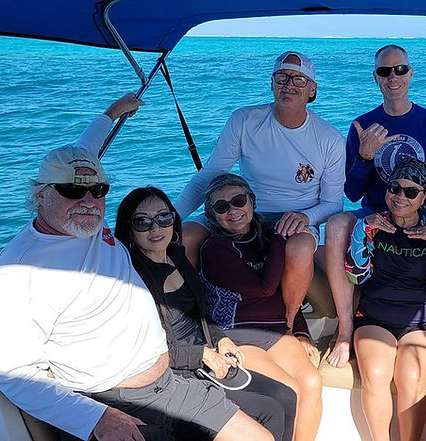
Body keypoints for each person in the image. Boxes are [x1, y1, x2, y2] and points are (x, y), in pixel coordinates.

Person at [0, 95, 272, 441]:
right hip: (114, 402)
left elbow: (85, 150)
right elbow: (13, 372)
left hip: (170, 384)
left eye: (98, 190)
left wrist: (110, 114)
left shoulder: (88, 227)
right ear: (41, 194)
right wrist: (96, 418)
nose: (88, 201)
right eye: (72, 191)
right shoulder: (21, 270)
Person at [323, 44, 426, 373]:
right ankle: (345, 331)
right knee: (335, 225)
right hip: (378, 212)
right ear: (375, 78)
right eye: (385, 71)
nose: (393, 77)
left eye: (400, 70)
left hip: (424, 212)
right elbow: (352, 192)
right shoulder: (362, 125)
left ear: (410, 73)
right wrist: (364, 157)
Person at [174, 51, 344, 344]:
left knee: (302, 247)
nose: (289, 85)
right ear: (272, 83)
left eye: (299, 80)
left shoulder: (329, 138)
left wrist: (306, 217)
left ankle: (288, 324)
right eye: (282, 77)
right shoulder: (244, 120)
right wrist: (172, 217)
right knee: (186, 235)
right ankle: (191, 318)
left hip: (294, 219)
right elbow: (209, 176)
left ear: (312, 90)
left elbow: (333, 203)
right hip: (243, 210)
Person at [114, 186, 298, 441]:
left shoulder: (176, 257)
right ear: (130, 231)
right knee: (268, 410)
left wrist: (221, 338)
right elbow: (148, 354)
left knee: (286, 396)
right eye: (142, 222)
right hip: (178, 370)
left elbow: (201, 312)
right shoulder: (134, 280)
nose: (155, 228)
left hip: (208, 355)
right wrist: (201, 355)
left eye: (163, 218)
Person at [197, 174, 324, 441]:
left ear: (251, 202)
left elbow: (288, 291)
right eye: (222, 207)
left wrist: (300, 331)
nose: (233, 210)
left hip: (276, 331)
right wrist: (279, 238)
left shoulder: (266, 238)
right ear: (212, 215)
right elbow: (264, 288)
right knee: (289, 389)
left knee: (312, 383)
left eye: (238, 201)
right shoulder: (215, 249)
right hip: (237, 335)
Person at [342, 158, 426, 441]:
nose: (400, 196)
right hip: (374, 317)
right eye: (395, 188)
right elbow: (356, 275)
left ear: (424, 197)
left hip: (423, 323)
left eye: (411, 191)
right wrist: (361, 230)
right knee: (375, 373)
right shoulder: (372, 226)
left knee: (411, 377)